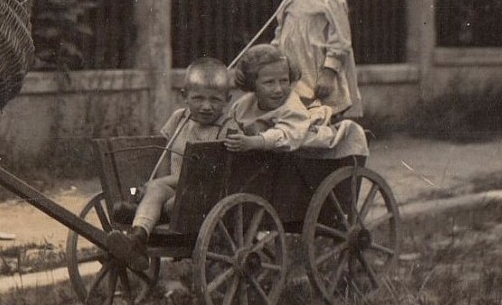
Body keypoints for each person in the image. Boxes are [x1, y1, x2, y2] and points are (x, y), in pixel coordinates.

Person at [106, 57, 232, 272]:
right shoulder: (179, 119)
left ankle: (146, 214)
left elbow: (200, 173)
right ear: (184, 96)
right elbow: (166, 152)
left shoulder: (226, 127)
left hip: (204, 193)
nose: (206, 106)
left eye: (215, 100)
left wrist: (160, 182)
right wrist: (160, 181)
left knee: (160, 194)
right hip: (173, 188)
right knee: (152, 191)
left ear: (228, 99)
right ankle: (136, 239)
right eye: (198, 98)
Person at [270, 0, 363, 118]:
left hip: (317, 69)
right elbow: (280, 33)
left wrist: (329, 73)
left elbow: (341, 42)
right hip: (293, 69)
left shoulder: (332, 0)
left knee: (322, 114)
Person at [224, 45, 368, 158]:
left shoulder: (291, 105)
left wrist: (254, 142)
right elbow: (229, 125)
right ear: (252, 84)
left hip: (301, 149)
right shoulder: (242, 105)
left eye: (284, 80)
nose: (279, 89)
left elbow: (288, 133)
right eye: (269, 83)